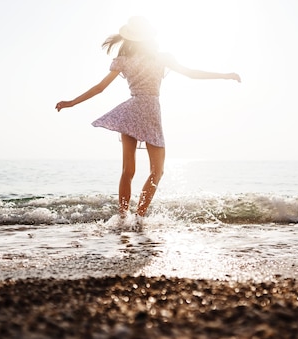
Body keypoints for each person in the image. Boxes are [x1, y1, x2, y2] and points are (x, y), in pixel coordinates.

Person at [56, 16, 240, 217]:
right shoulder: (162, 58)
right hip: (150, 110)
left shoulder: (124, 60)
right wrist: (225, 75)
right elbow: (191, 73)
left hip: (131, 112)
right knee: (157, 171)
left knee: (128, 171)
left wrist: (71, 103)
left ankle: (123, 218)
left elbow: (100, 88)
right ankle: (138, 217)